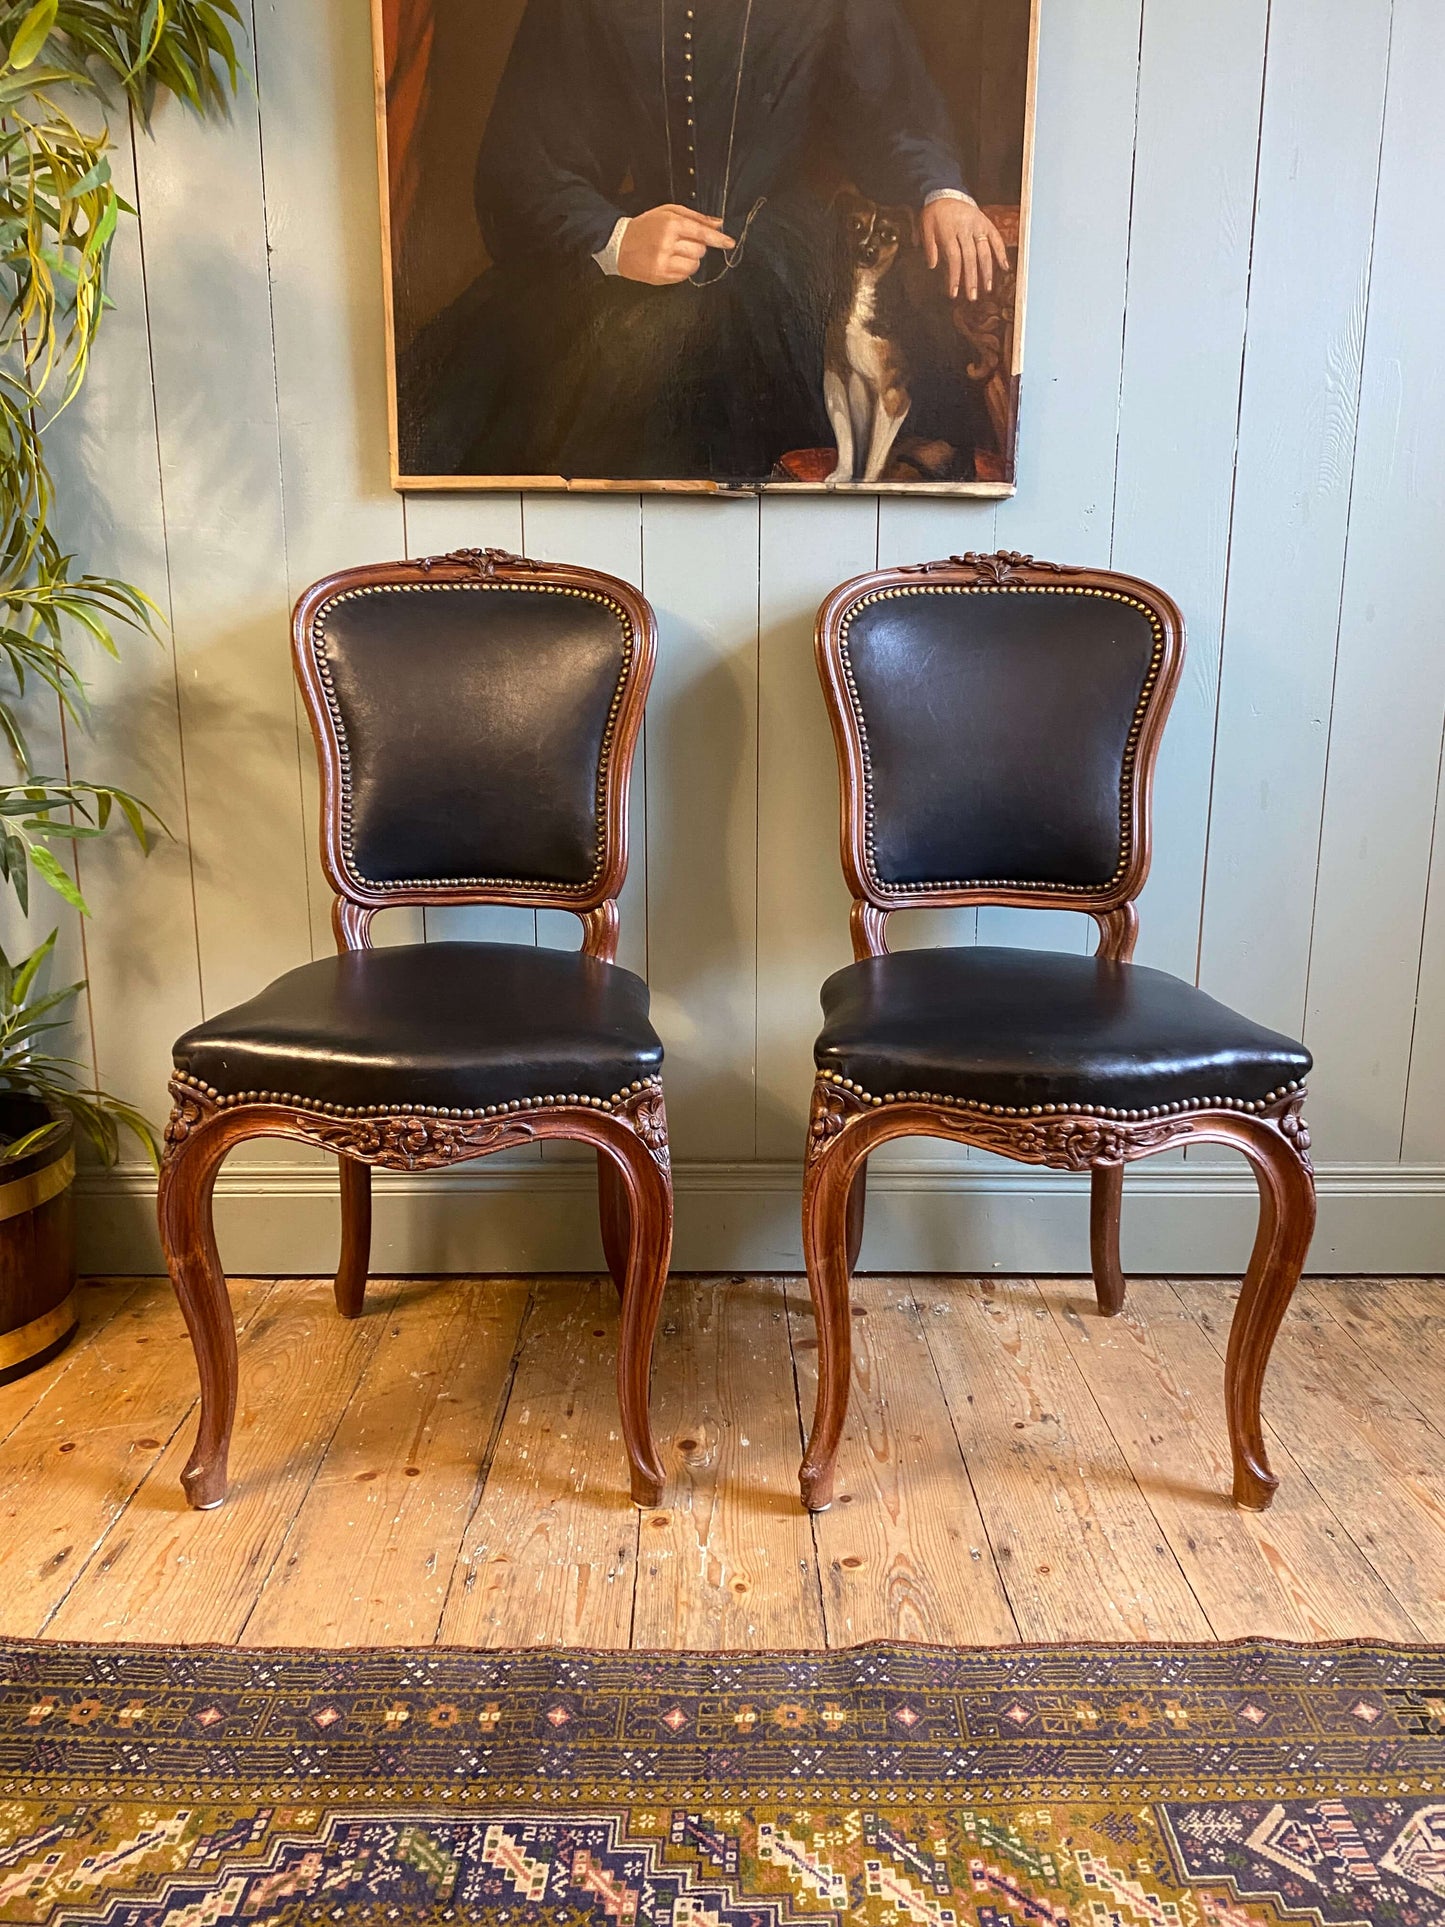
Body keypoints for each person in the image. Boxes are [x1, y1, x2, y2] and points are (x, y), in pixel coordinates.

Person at [399, 0, 1008, 484]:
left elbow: (895, 111)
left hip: (786, 272)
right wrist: (613, 237)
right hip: (630, 262)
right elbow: (522, 158)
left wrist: (942, 191)